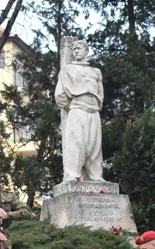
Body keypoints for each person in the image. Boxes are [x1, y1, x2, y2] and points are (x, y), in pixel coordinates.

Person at [55, 39, 104, 182]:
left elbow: (100, 94)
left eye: (79, 48)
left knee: (94, 145)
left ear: (86, 51)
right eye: (74, 49)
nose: (76, 51)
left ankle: (96, 175)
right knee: (77, 142)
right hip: (77, 109)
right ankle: (73, 174)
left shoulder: (96, 72)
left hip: (94, 111)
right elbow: (60, 94)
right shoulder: (67, 69)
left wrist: (95, 104)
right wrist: (72, 106)